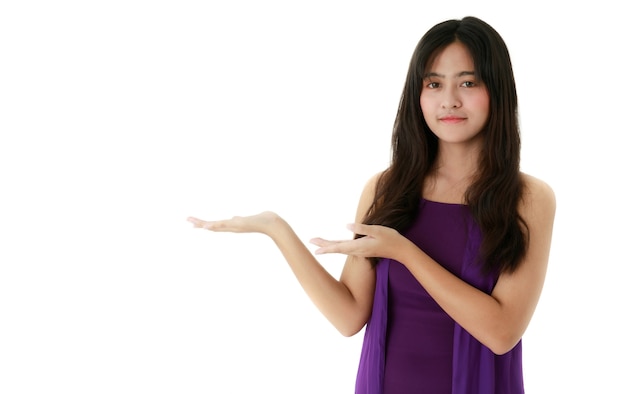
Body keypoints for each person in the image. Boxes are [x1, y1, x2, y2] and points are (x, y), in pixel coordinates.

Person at [188, 16, 556, 394]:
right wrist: (276, 228)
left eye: (467, 82)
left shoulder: (529, 198)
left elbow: (502, 332)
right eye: (433, 84)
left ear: (497, 89)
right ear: (417, 94)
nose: (449, 100)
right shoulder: (386, 188)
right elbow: (348, 316)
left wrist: (404, 252)